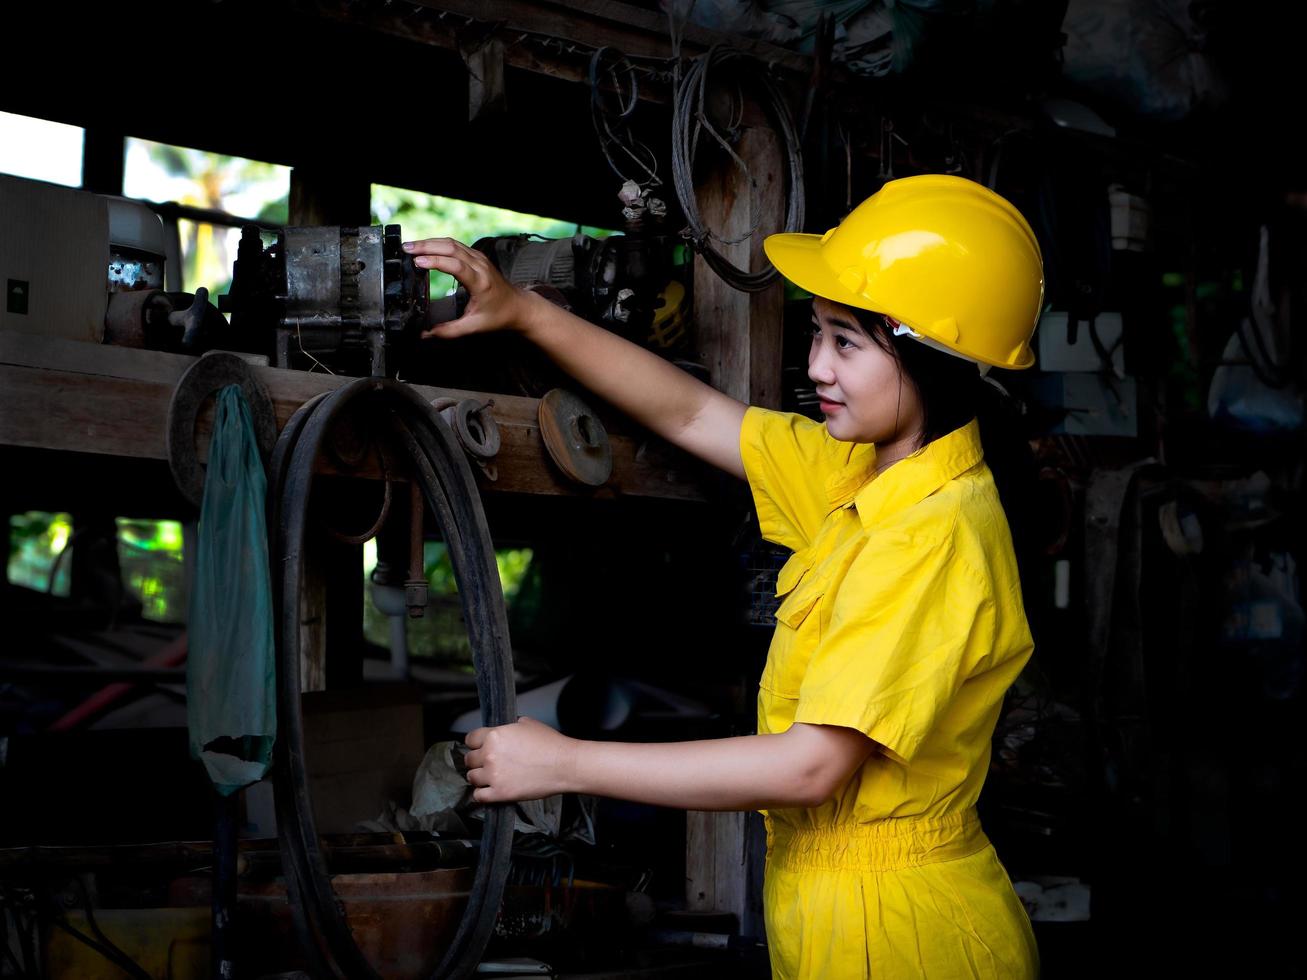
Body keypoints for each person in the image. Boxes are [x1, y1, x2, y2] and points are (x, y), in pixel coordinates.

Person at [404, 173, 1043, 979]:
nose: (816, 367)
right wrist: (528, 312)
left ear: (932, 358)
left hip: (906, 934)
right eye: (816, 334)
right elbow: (695, 415)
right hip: (842, 913)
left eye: (846, 343)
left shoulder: (932, 533)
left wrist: (566, 762)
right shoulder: (859, 474)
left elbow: (808, 767)